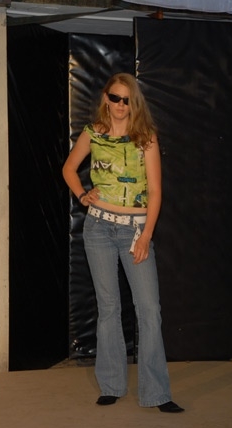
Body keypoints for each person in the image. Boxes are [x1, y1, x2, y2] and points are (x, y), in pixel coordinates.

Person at [62, 73, 183, 412]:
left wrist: (146, 235)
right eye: (114, 97)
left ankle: (157, 393)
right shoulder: (93, 134)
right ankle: (112, 385)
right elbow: (69, 169)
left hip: (134, 230)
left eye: (126, 100)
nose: (119, 105)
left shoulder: (145, 137)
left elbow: (156, 191)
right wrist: (83, 195)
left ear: (134, 103)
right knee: (109, 308)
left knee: (149, 310)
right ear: (106, 98)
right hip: (98, 228)